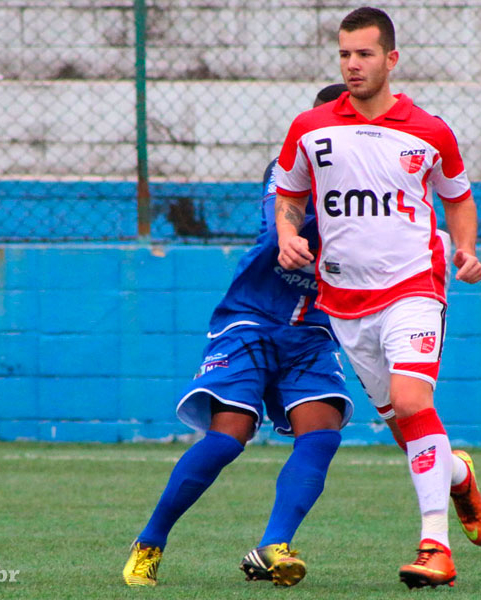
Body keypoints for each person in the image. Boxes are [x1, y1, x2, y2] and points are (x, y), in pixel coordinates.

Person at [273, 7, 481, 589]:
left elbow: (459, 198)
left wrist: (465, 250)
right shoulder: (309, 126)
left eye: (364, 54)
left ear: (390, 59)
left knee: (411, 400)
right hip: (344, 302)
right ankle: (458, 477)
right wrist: (291, 233)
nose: (352, 65)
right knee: (404, 424)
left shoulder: (429, 129)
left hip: (414, 287)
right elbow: (290, 192)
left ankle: (434, 547)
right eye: (344, 54)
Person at [123, 83, 354, 589]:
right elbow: (279, 233)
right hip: (250, 320)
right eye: (324, 125)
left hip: (312, 330)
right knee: (229, 438)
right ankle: (150, 541)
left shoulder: (373, 183)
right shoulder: (288, 165)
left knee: (323, 433)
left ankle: (273, 545)